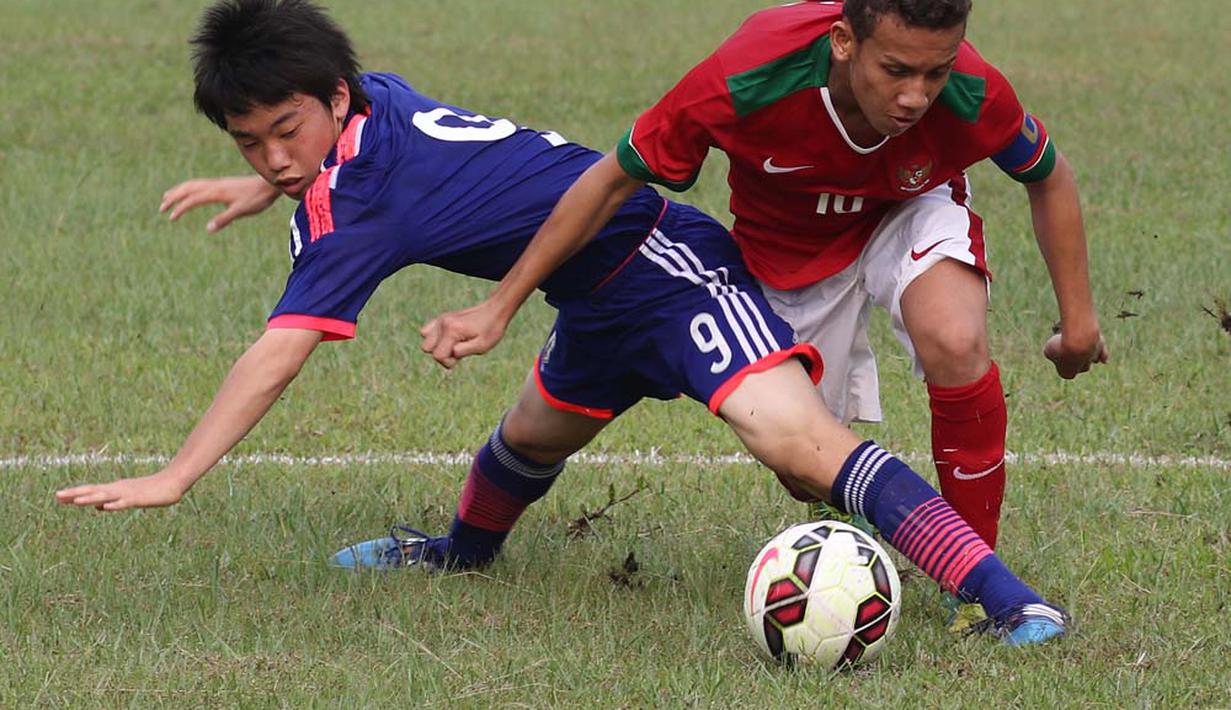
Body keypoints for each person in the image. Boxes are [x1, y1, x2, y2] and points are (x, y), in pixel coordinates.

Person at [55, 0, 1068, 645]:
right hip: (590, 295)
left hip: (667, 266)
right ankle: (459, 554)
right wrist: (269, 181)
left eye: (286, 133)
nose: (277, 155)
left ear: (332, 97)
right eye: (250, 142)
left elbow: (279, 352)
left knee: (798, 446)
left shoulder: (357, 205)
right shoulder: (375, 105)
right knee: (532, 435)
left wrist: (175, 474)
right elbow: (358, 161)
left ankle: (1008, 597)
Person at [422, 0, 1108, 629]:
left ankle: (980, 590)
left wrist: (1077, 323)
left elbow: (1046, 174)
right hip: (788, 257)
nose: (915, 97)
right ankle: (874, 551)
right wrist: (500, 304)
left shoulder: (970, 87)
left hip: (907, 207)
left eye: (935, 72)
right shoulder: (747, 75)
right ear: (843, 41)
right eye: (896, 71)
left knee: (952, 338)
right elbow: (610, 180)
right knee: (804, 468)